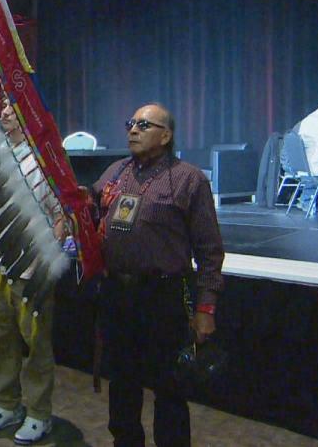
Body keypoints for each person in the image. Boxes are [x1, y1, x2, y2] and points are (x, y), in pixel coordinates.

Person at [92, 103, 224, 447]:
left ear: (165, 136)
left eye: (144, 125)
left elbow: (210, 252)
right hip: (118, 295)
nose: (133, 130)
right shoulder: (115, 172)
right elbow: (88, 210)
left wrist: (205, 309)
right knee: (122, 384)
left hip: (163, 298)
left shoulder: (188, 179)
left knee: (169, 389)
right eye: (131, 123)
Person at [0, 100, 65, 445]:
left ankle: (39, 412)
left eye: (13, 110)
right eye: (3, 110)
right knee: (1, 339)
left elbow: (61, 216)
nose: (4, 115)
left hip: (31, 268)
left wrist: (49, 254)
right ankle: (7, 403)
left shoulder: (46, 160)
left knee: (37, 343)